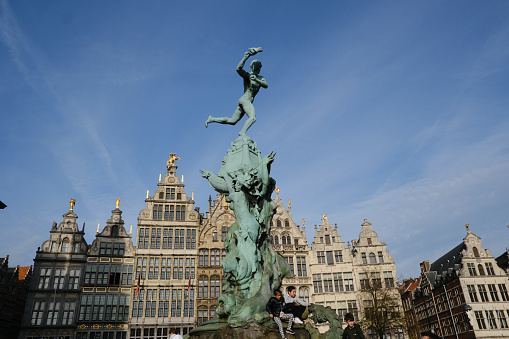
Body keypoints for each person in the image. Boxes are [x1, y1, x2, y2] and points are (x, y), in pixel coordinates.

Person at [205, 47, 268, 136]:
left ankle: (212, 119)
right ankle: (242, 132)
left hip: (245, 101)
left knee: (232, 121)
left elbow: (265, 85)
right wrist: (245, 58)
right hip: (245, 100)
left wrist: (257, 80)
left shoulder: (260, 78)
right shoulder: (248, 75)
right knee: (252, 118)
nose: (258, 69)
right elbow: (238, 69)